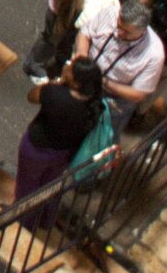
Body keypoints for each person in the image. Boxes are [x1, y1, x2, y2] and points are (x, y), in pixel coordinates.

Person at [17, 55, 106, 198]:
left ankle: (26, 219)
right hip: (63, 154)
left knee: (27, 186)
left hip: (37, 150)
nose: (66, 66)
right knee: (48, 189)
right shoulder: (95, 104)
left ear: (77, 83)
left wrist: (56, 82)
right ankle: (44, 218)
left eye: (70, 69)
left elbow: (31, 96)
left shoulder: (55, 94)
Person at [79, 0, 167, 128]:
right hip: (86, 78)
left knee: (101, 136)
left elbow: (138, 94)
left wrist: (105, 82)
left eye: (126, 32)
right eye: (119, 25)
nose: (119, 32)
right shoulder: (111, 13)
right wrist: (82, 58)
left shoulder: (154, 53)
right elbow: (84, 34)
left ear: (142, 31)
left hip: (115, 99)